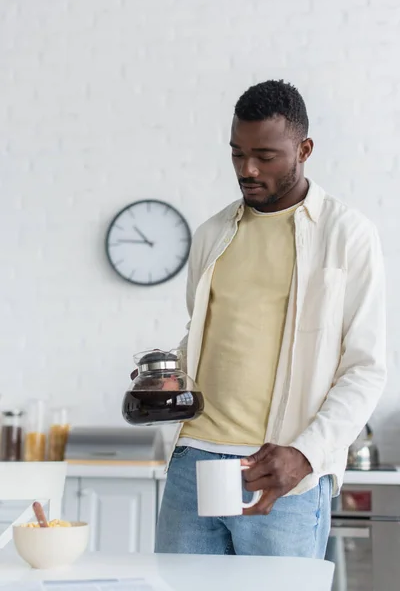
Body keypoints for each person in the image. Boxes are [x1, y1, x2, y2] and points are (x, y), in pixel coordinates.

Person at [154, 80, 386, 558]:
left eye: (265, 155)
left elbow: (365, 368)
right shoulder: (212, 234)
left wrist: (305, 455)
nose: (248, 169)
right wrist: (167, 375)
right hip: (193, 459)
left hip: (281, 470)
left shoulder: (349, 236)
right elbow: (202, 336)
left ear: (304, 149)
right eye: (237, 154)